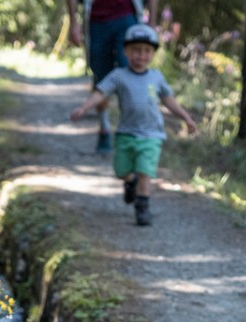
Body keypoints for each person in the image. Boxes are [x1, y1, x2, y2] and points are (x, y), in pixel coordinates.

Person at [69, 25, 197, 226]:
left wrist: (186, 118)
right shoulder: (119, 76)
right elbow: (101, 93)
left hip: (152, 135)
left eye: (147, 51)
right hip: (126, 134)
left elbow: (168, 100)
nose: (141, 55)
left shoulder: (156, 77)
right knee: (122, 171)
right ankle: (130, 183)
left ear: (153, 53)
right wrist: (84, 108)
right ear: (126, 51)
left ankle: (142, 208)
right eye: (136, 50)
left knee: (145, 171)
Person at [66, 0, 159, 153]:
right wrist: (73, 22)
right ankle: (104, 127)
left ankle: (135, 132)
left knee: (132, 75)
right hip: (96, 19)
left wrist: (152, 22)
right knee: (101, 79)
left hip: (128, 17)